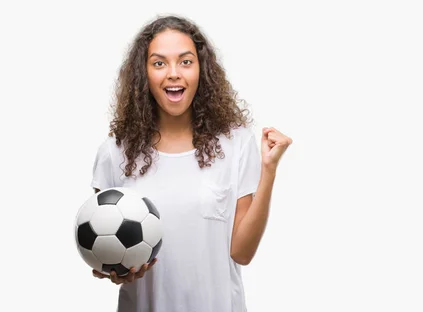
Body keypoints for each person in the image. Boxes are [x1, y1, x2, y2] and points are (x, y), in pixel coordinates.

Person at [89, 14, 292, 312]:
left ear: (202, 69)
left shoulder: (236, 144)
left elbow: (243, 252)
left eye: (186, 61)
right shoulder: (116, 152)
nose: (173, 73)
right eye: (159, 63)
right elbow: (105, 247)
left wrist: (270, 171)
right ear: (143, 73)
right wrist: (114, 270)